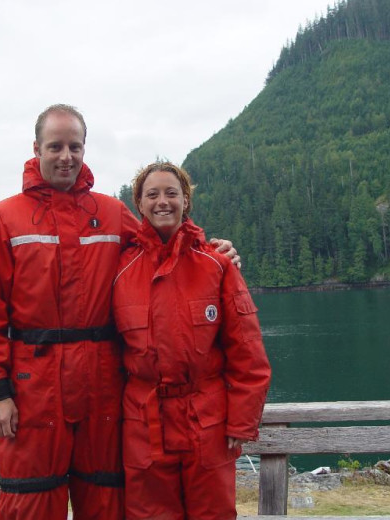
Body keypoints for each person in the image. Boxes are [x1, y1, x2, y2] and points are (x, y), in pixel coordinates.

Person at [0, 104, 239, 520]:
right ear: (36, 148)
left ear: (84, 148)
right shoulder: (4, 218)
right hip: (33, 389)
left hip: (103, 388)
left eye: (75, 146)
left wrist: (211, 250)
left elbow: (160, 237)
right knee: (31, 500)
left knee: (107, 500)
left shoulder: (109, 214)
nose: (65, 156)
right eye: (55, 146)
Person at [112, 161, 271, 520]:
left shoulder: (217, 264)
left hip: (208, 425)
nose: (162, 201)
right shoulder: (119, 269)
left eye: (172, 193)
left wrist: (241, 423)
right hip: (143, 425)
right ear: (139, 203)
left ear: (186, 200)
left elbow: (248, 353)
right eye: (152, 194)